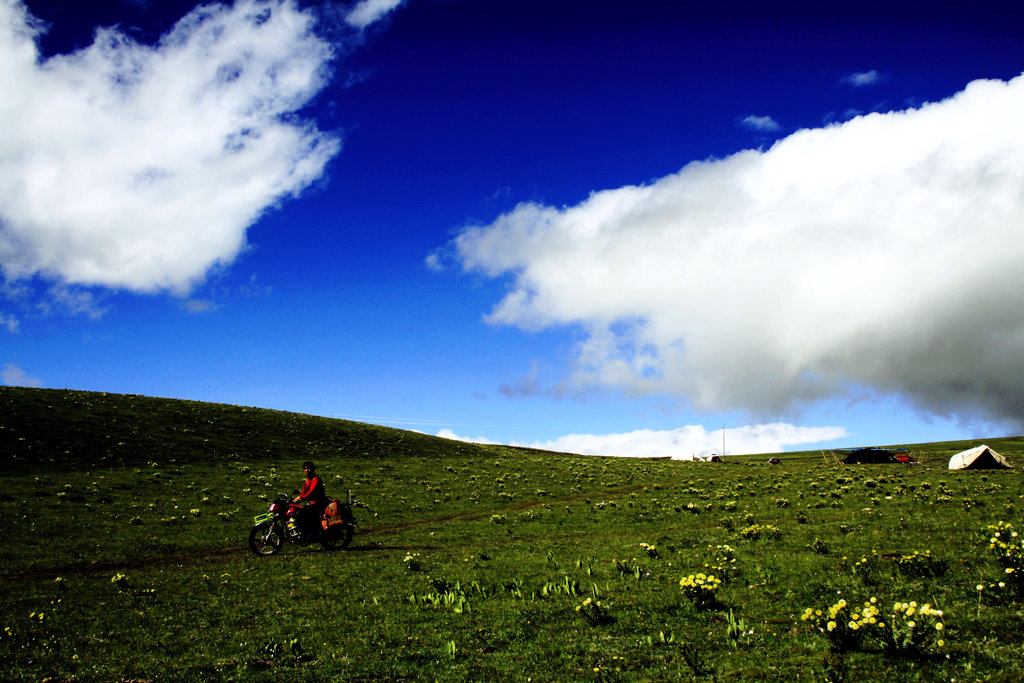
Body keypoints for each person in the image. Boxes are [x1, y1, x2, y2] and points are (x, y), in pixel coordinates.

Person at [292, 461, 327, 534]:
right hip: (311, 504)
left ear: (313, 469)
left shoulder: (316, 479)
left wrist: (301, 498)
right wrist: (297, 498)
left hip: (318, 504)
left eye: (308, 468)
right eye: (305, 469)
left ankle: (305, 532)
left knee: (300, 513)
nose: (306, 470)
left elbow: (311, 491)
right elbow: (303, 492)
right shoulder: (307, 481)